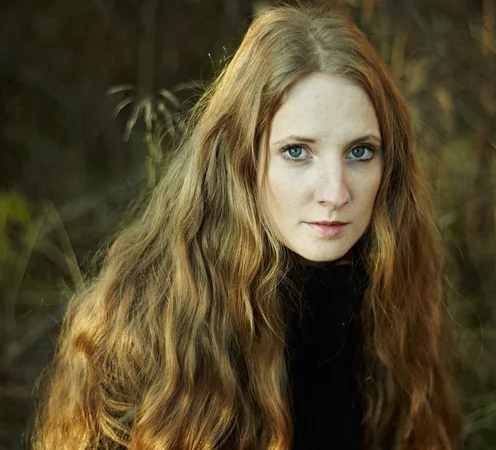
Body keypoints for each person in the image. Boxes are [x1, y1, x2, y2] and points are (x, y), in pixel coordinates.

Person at [31, 4, 462, 450]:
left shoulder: (392, 294)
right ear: (239, 160)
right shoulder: (141, 327)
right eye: (297, 152)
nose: (335, 193)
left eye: (359, 152)